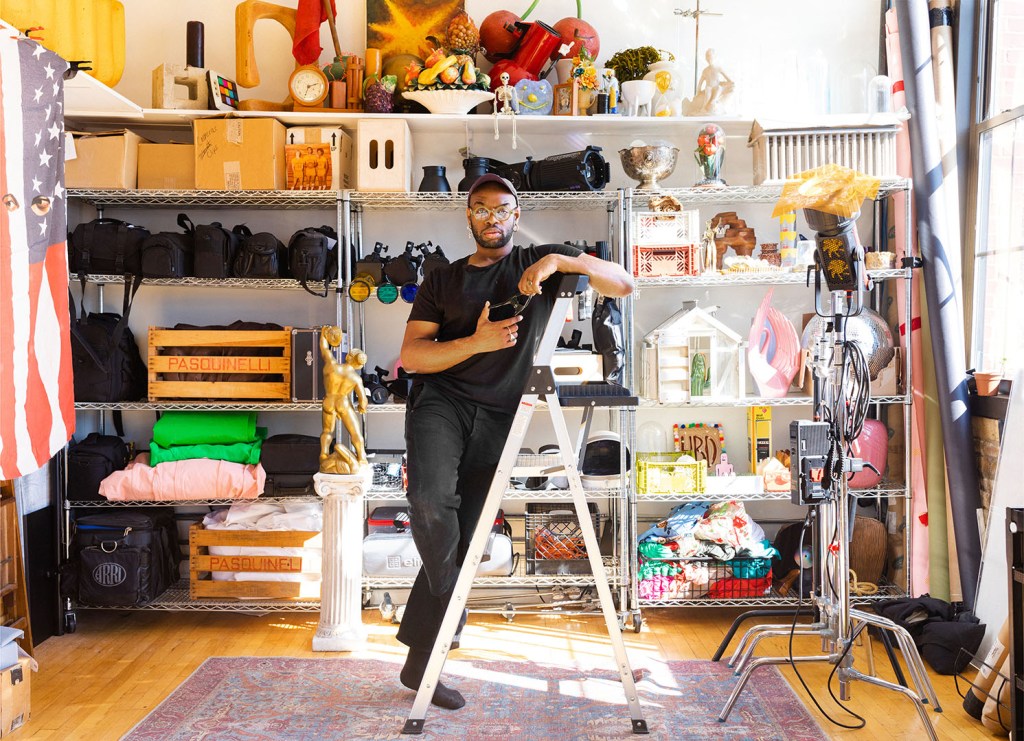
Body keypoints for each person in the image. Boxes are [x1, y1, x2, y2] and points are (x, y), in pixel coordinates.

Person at [396, 173, 634, 710]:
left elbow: (623, 283)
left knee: (464, 536)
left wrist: (561, 261)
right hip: (441, 404)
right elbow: (413, 357)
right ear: (468, 216)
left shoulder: (538, 261)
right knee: (430, 504)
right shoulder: (443, 279)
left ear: (516, 215)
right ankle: (450, 612)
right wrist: (477, 341)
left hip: (501, 416)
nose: (492, 218)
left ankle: (420, 663)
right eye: (481, 208)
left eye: (502, 208)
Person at [319, 327, 368, 473]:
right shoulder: (356, 378)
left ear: (348, 357)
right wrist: (361, 407)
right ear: (359, 365)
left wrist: (324, 334)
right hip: (343, 402)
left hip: (328, 401)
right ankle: (362, 458)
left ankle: (323, 454)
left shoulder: (332, 365)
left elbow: (324, 349)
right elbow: (363, 400)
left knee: (327, 431)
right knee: (355, 432)